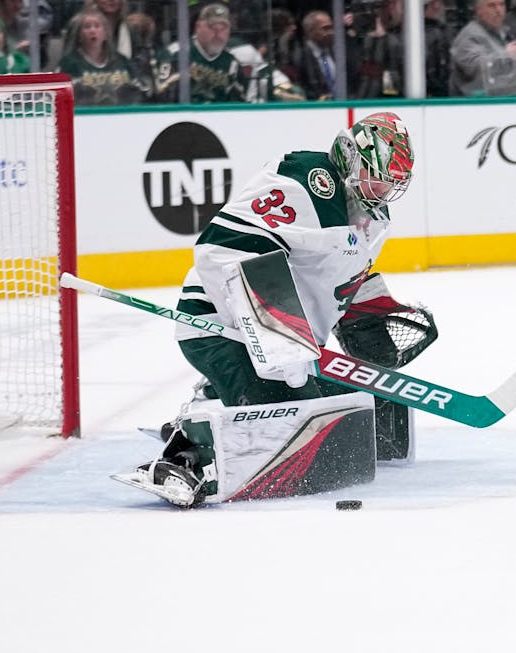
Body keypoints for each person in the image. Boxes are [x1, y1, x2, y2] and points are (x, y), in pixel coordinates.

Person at [114, 113, 435, 507]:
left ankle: (216, 399)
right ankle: (185, 461)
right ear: (351, 157)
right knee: (302, 431)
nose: (384, 191)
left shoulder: (369, 213)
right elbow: (222, 249)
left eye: (393, 184)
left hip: (287, 349)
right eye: (378, 178)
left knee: (357, 413)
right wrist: (280, 341)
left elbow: (341, 278)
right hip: (222, 329)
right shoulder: (305, 181)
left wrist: (375, 327)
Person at [153, 2, 251, 103]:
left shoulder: (232, 64)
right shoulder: (174, 54)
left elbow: (239, 107)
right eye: (212, 28)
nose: (218, 33)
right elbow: (162, 99)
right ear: (198, 27)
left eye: (223, 28)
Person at [57, 9, 146, 105]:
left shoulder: (122, 60)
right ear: (79, 35)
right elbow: (59, 97)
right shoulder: (69, 63)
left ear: (105, 34)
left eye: (97, 26)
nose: (92, 30)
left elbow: (142, 90)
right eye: (87, 27)